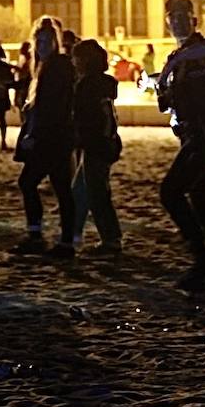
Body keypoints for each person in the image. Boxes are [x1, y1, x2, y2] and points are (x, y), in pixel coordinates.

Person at [156, 0, 205, 291]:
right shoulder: (179, 56)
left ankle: (204, 259)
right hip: (190, 135)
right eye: (172, 17)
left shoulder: (204, 50)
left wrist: (169, 69)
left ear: (194, 19)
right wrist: (159, 83)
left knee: (170, 192)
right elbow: (169, 100)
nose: (177, 21)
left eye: (182, 16)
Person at [11, 16, 77, 258]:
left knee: (33, 183)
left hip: (52, 136)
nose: (42, 44)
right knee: (58, 188)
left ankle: (41, 236)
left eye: (47, 39)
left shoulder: (56, 66)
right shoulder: (48, 66)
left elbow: (52, 106)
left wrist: (34, 133)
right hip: (54, 135)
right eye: (39, 40)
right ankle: (60, 240)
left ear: (55, 41)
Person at [69, 38, 123, 256]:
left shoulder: (86, 86)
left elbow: (85, 117)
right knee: (82, 190)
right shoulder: (106, 84)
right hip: (107, 142)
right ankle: (73, 234)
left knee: (95, 193)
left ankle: (110, 239)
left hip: (95, 144)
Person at [13, 40, 32, 112]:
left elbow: (20, 68)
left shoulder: (23, 57)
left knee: (21, 100)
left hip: (22, 80)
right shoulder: (31, 58)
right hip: (27, 80)